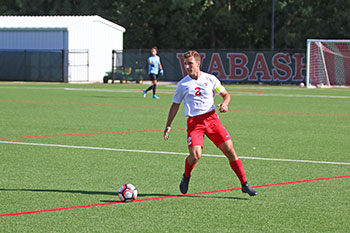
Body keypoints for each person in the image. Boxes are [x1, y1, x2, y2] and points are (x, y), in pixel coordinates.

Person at [163, 50, 258, 196]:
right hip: (195, 123)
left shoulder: (210, 79)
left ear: (198, 63)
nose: (187, 67)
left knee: (230, 151)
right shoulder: (182, 84)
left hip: (212, 119)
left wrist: (225, 104)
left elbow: (225, 95)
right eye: (185, 64)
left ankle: (244, 184)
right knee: (195, 155)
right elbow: (175, 104)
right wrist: (168, 124)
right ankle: (186, 176)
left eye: (190, 63)